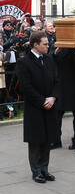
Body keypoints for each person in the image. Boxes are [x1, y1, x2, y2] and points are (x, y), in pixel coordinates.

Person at [16, 31, 59, 183]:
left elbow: (56, 81)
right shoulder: (24, 62)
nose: (48, 46)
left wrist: (53, 98)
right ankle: (36, 172)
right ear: (35, 45)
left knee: (47, 140)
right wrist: (43, 101)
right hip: (35, 107)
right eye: (45, 44)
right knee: (35, 141)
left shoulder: (49, 59)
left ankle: (45, 169)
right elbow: (26, 87)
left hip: (49, 105)